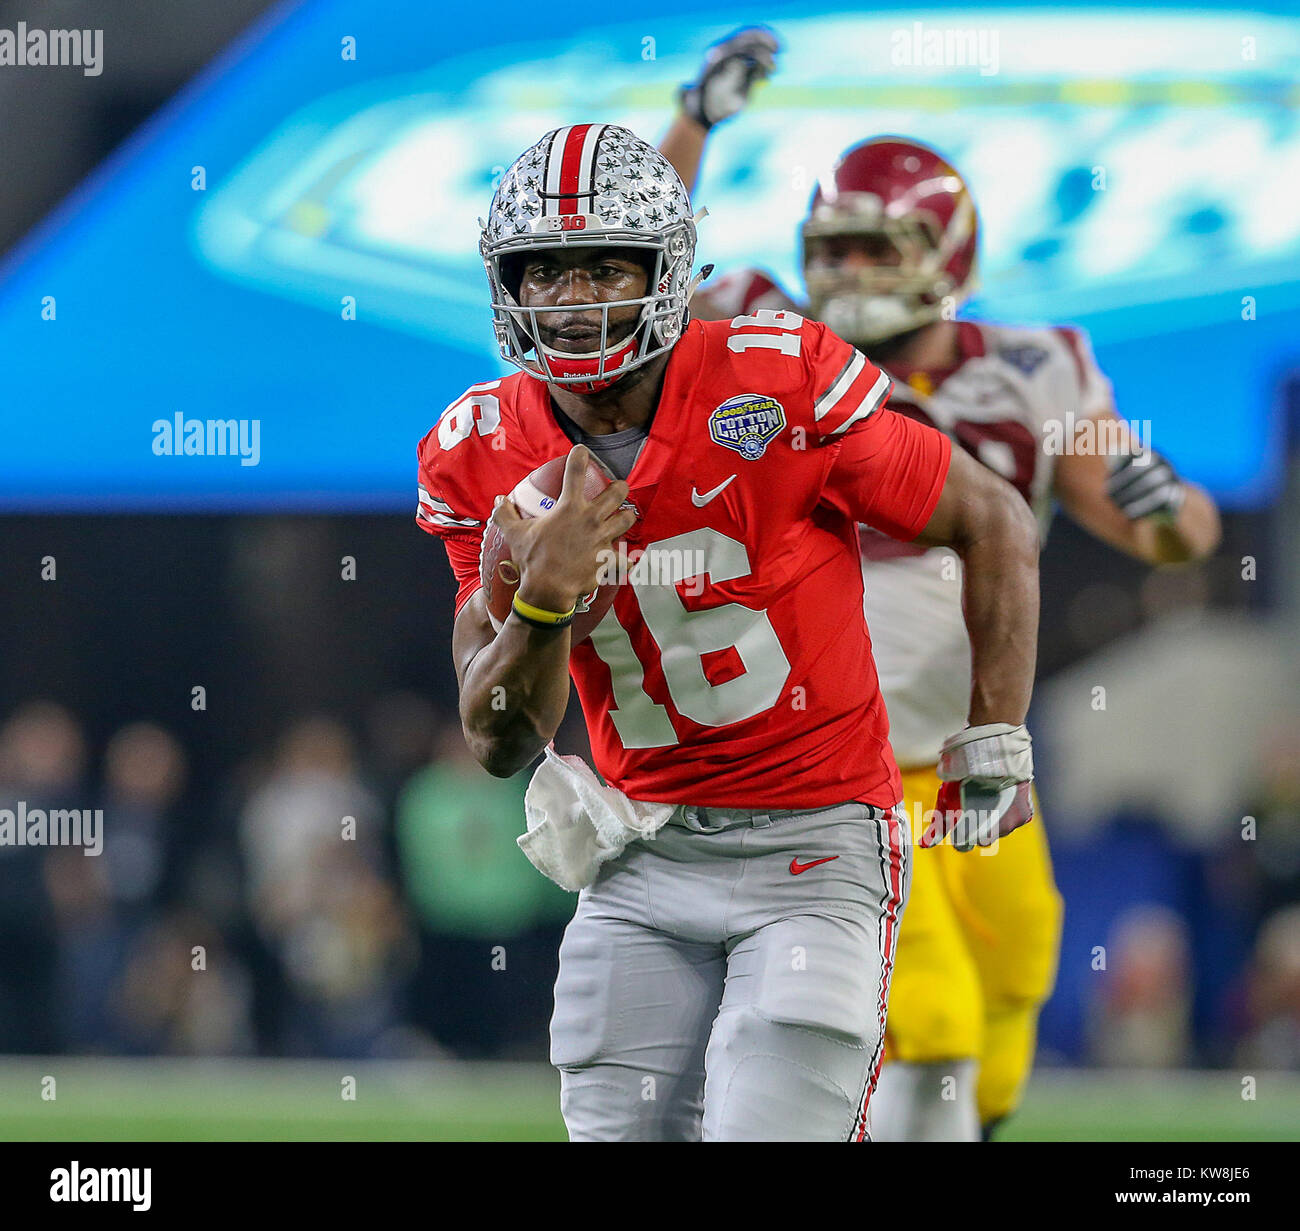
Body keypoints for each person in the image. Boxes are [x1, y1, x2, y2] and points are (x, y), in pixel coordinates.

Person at [415, 122, 1040, 1141]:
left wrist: (994, 733)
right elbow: (498, 742)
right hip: (639, 855)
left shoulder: (774, 378)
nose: (573, 300)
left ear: (666, 267)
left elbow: (990, 518)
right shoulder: (478, 451)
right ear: (506, 283)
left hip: (817, 842)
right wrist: (542, 603)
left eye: (603, 265)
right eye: (546, 271)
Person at [660, 30, 1222, 1140]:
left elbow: (1174, 535)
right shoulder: (772, 339)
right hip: (834, 758)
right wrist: (695, 121)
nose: (844, 276)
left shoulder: (1027, 368)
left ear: (946, 250)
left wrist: (1166, 508)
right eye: (833, 251)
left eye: (874, 250)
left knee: (1018, 970)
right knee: (926, 1007)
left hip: (977, 750)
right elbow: (647, 265)